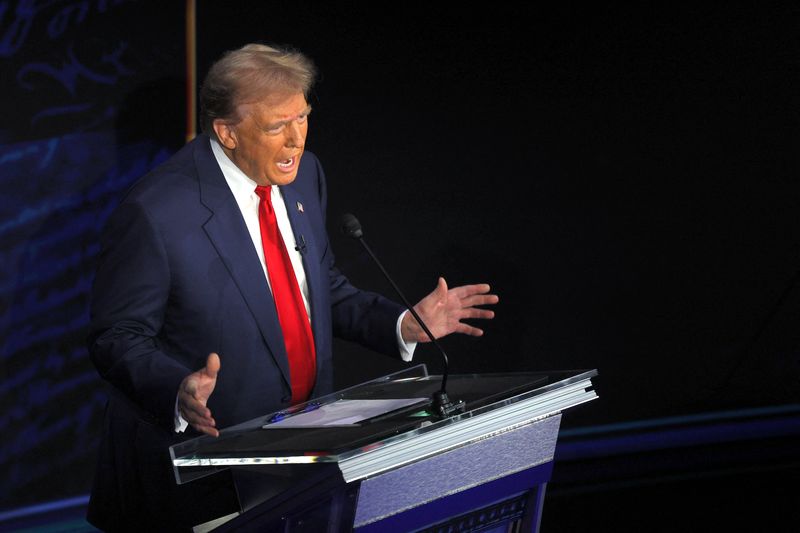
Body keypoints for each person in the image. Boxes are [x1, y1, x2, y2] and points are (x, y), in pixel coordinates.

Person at [86, 43, 498, 532]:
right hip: (202, 480)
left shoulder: (305, 180)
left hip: (300, 461)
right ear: (227, 132)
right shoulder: (156, 212)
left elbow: (318, 288)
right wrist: (176, 389)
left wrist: (403, 323)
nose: (295, 140)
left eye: (302, 118)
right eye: (276, 126)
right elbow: (118, 335)